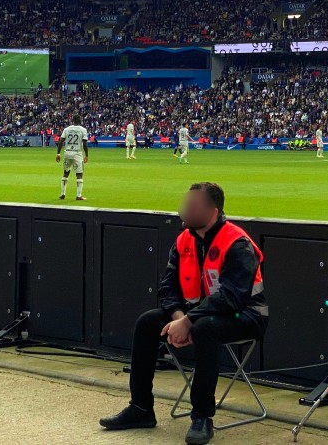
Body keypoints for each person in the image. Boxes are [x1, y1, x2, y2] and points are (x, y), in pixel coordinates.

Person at [99, 183, 267, 445]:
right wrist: (179, 318)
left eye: (193, 206)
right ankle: (141, 408)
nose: (185, 210)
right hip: (195, 315)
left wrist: (189, 321)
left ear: (213, 211)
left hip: (246, 316)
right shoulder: (183, 240)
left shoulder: (237, 243)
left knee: (205, 328)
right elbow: (168, 287)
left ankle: (202, 417)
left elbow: (233, 298)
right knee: (147, 322)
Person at [56, 114, 88, 201]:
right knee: (79, 174)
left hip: (67, 153)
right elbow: (84, 143)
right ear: (80, 120)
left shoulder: (67, 129)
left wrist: (58, 154)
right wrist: (86, 155)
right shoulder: (83, 130)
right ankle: (79, 195)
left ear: (72, 120)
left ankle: (62, 194)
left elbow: (61, 141)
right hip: (77, 153)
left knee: (66, 172)